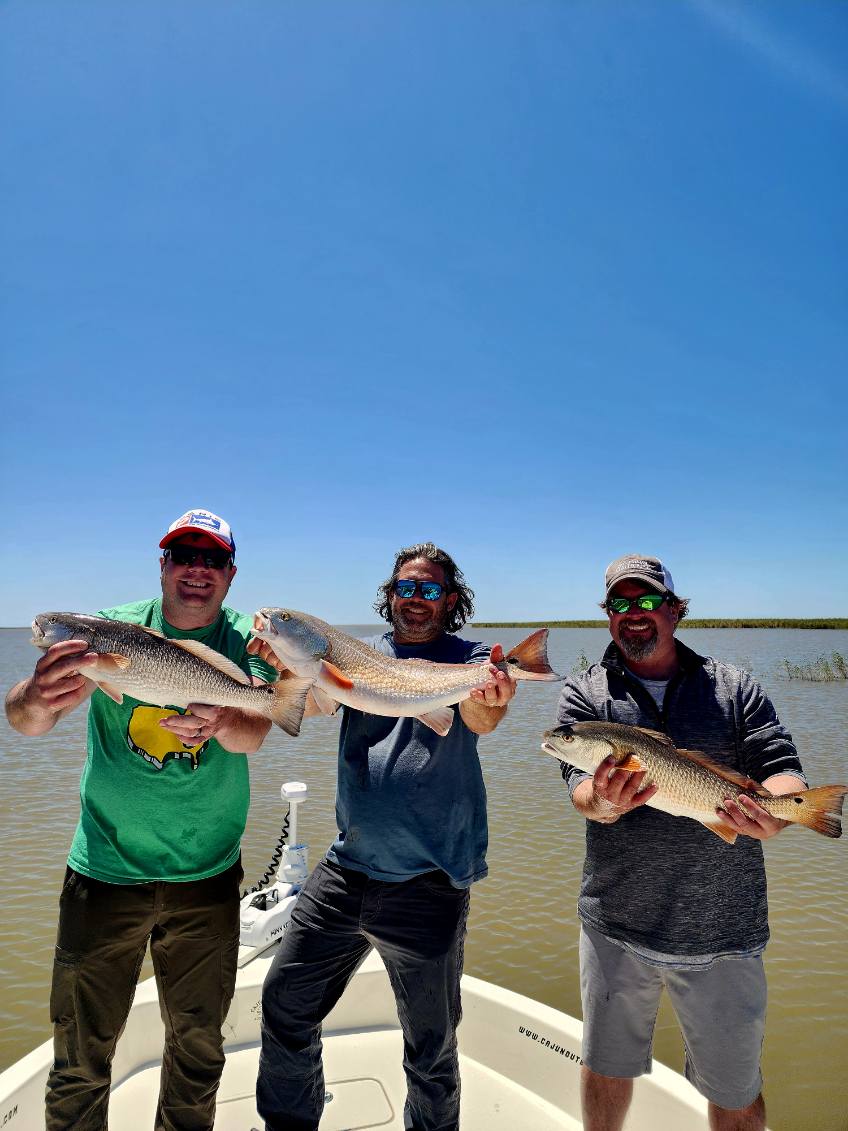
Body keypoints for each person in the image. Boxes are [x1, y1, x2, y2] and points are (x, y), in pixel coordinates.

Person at [5, 508, 278, 1131]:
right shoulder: (111, 630)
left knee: (198, 1051)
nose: (196, 570)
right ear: (163, 566)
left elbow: (256, 732)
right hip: (105, 872)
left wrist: (223, 721)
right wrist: (35, 696)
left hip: (207, 878)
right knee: (80, 1057)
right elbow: (26, 722)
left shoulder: (251, 641)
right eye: (184, 555)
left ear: (230, 574)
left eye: (211, 559)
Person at [252, 542, 516, 1131]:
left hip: (429, 880)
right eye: (405, 588)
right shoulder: (352, 657)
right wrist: (281, 668)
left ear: (448, 600)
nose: (415, 600)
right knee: (284, 1004)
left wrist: (494, 696)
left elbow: (481, 718)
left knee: (430, 1047)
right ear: (390, 594)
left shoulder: (469, 659)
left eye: (428, 590)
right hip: (346, 870)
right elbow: (306, 707)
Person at [555, 554, 809, 1131]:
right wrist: (605, 802)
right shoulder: (586, 698)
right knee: (605, 1068)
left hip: (725, 928)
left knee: (737, 1090)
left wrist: (782, 807)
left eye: (647, 601)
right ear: (607, 617)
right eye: (619, 604)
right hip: (615, 921)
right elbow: (581, 795)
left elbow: (781, 765)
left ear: (674, 609)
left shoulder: (733, 685)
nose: (634, 615)